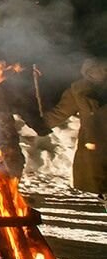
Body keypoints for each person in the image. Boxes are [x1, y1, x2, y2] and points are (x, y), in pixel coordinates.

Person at [42, 58, 106, 196]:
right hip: (94, 145)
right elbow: (60, 112)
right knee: (102, 185)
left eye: (101, 69)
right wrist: (39, 123)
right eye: (92, 71)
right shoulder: (78, 90)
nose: (97, 73)